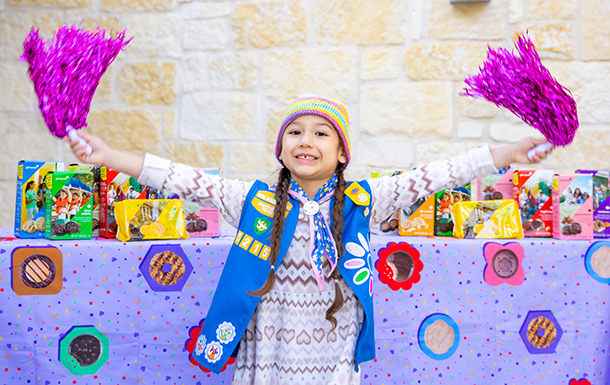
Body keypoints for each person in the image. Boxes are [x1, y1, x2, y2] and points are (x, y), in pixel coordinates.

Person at [68, 95, 551, 383]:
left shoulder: (368, 199)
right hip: (268, 357)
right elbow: (180, 178)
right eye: (295, 132)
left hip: (334, 356)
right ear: (280, 150)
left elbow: (438, 174)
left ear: (341, 153)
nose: (306, 140)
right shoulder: (253, 200)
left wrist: (508, 151)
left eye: (322, 134)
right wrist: (110, 155)